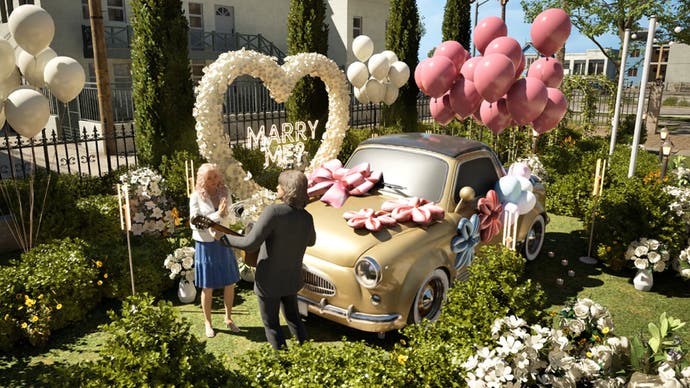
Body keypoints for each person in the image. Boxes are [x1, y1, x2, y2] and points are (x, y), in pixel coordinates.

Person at [222, 170, 316, 350]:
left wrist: (222, 238)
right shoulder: (306, 217)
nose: (276, 187)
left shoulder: (274, 212)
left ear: (287, 189)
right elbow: (311, 241)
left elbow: (250, 243)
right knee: (293, 318)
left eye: (279, 185)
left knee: (272, 324)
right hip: (291, 277)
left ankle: (282, 364)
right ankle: (307, 357)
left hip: (269, 281)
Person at [190, 163, 241, 338]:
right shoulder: (196, 196)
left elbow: (232, 219)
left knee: (229, 282)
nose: (213, 181)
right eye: (209, 178)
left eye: (215, 176)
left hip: (223, 241)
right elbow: (195, 221)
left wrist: (227, 213)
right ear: (202, 180)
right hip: (205, 244)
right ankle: (208, 323)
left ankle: (228, 318)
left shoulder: (225, 192)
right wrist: (218, 215)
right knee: (207, 286)